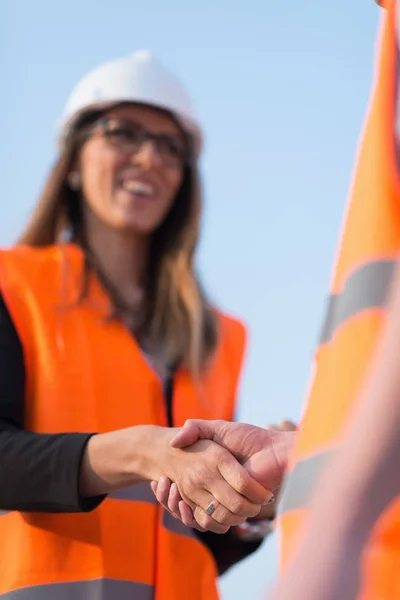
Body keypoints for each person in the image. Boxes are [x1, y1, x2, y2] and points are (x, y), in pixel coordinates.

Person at [0, 50, 277, 600]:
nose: (149, 158)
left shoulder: (219, 338)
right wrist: (142, 450)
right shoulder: (12, 286)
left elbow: (197, 531)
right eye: (122, 133)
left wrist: (254, 494)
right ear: (73, 162)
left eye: (170, 147)